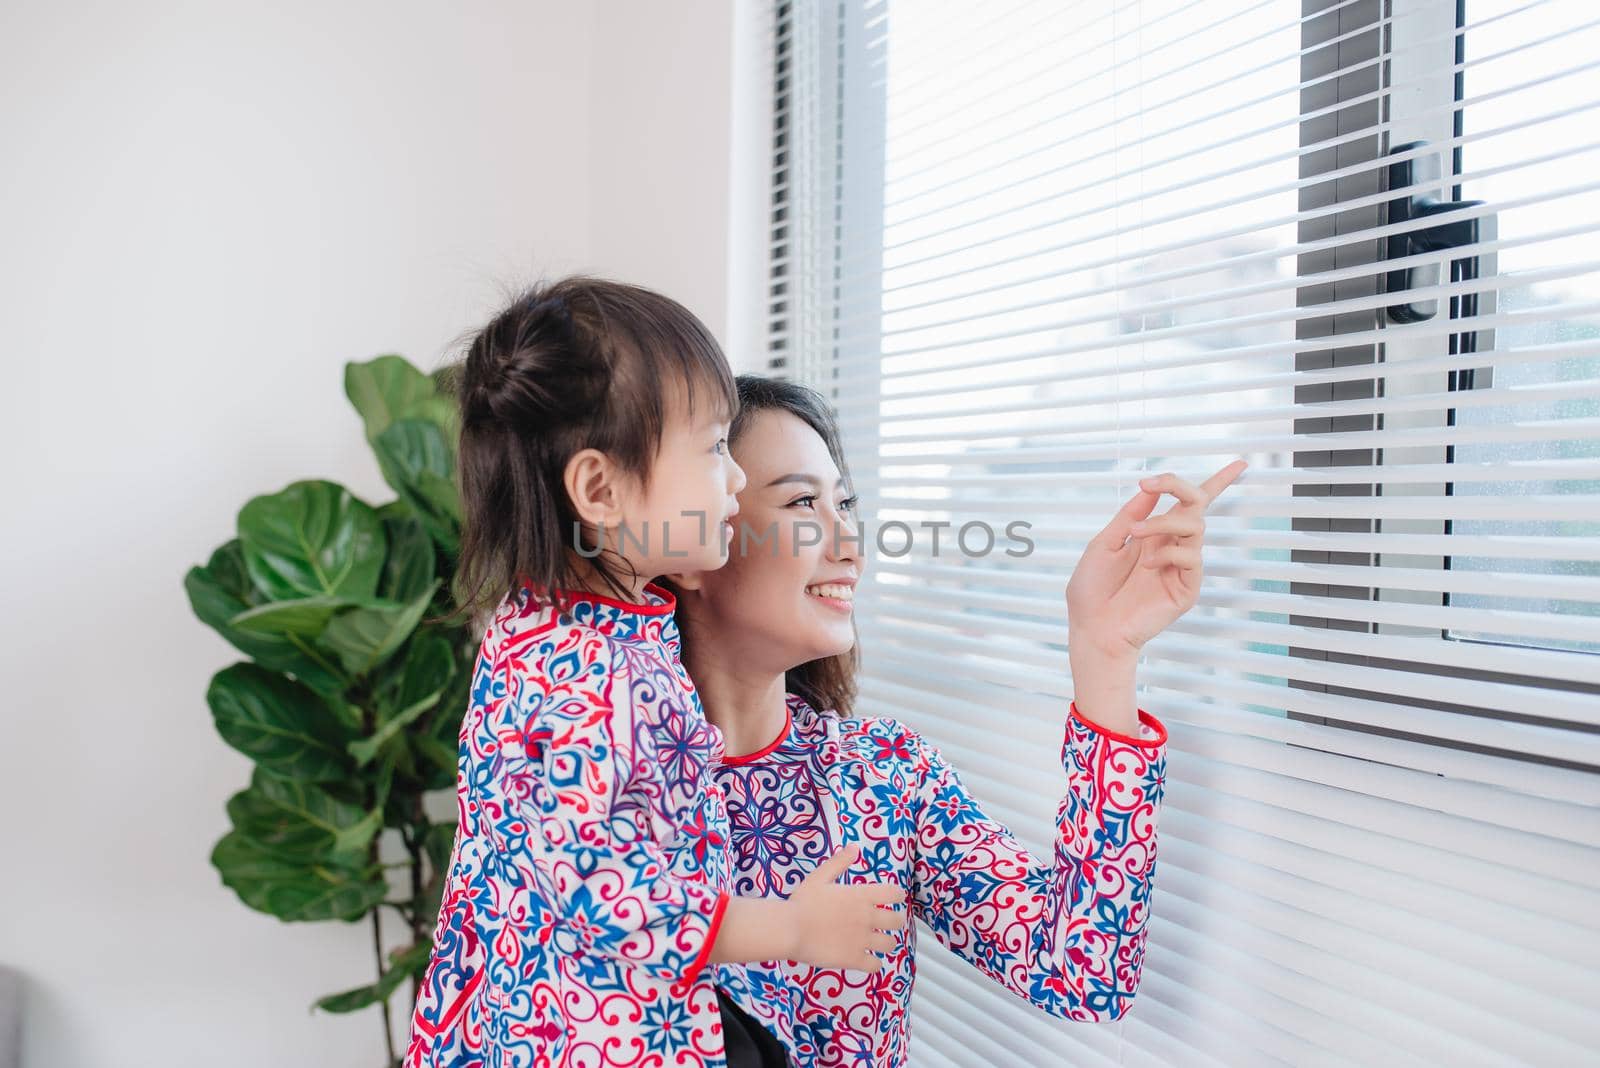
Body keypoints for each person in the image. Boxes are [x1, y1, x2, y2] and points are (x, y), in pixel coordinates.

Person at [666, 375, 1246, 1065]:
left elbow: (1082, 973)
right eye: (801, 503)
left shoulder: (883, 775)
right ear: (687, 548)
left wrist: (1104, 656)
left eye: (845, 504)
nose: (849, 544)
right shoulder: (592, 791)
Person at [405, 283, 905, 1068]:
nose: (733, 484)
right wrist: (792, 928)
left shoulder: (555, 627)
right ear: (601, 490)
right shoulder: (589, 674)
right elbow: (598, 892)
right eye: (713, 451)